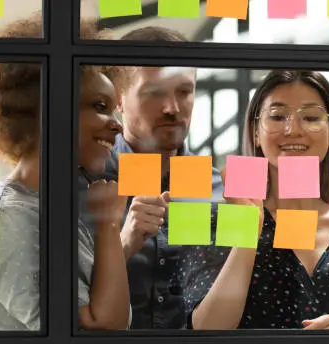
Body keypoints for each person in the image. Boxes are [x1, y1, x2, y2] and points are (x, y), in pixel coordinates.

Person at [182, 70, 329, 330]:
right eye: (277, 116)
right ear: (255, 133)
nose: (293, 130)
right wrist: (247, 232)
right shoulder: (218, 222)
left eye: (310, 117)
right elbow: (206, 330)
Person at [0, 14, 131, 331]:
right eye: (99, 106)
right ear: (52, 107)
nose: (117, 125)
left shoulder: (47, 206)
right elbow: (100, 330)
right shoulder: (9, 218)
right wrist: (108, 224)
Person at [78, 26, 224, 330]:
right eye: (153, 93)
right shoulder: (83, 182)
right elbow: (61, 297)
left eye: (184, 91)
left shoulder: (216, 189)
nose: (172, 109)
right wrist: (124, 242)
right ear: (117, 99)